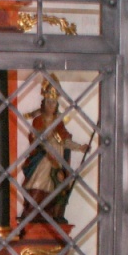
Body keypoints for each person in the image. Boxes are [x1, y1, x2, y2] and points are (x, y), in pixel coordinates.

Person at [22, 78, 89, 222]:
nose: (51, 105)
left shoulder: (59, 123)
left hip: (58, 159)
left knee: (58, 185)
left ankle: (52, 213)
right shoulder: (38, 120)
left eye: (54, 102)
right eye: (49, 102)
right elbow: (35, 140)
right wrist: (43, 146)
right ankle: (33, 211)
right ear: (44, 103)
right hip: (43, 157)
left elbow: (65, 141)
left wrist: (80, 147)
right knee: (38, 181)